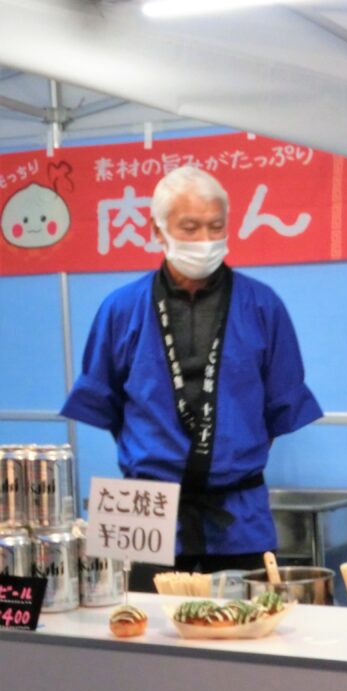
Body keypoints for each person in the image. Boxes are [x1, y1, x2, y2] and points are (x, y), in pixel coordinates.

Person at [62, 166, 322, 587]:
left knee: (246, 636)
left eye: (215, 227)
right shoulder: (120, 309)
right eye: (190, 227)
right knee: (137, 636)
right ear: (158, 230)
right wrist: (156, 454)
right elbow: (107, 408)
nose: (205, 240)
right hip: (142, 508)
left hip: (239, 509)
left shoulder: (263, 306)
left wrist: (223, 455)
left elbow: (279, 408)